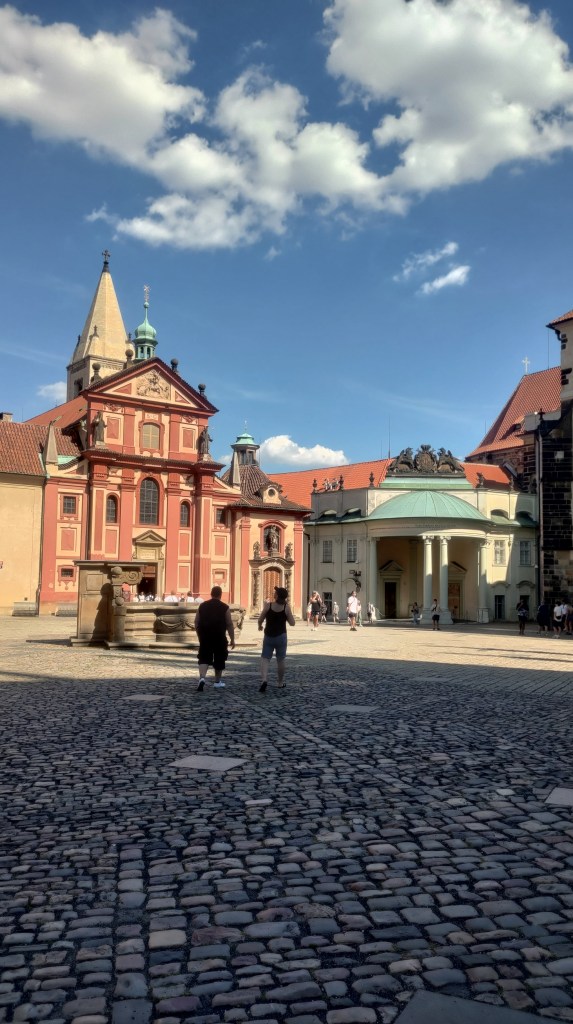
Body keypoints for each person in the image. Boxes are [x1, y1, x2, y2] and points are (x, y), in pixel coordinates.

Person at [195, 585, 235, 691]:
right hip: (219, 636)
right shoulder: (225, 607)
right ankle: (217, 682)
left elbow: (196, 622)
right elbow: (229, 624)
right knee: (220, 658)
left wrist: (199, 634)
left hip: (205, 636)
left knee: (203, 657)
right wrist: (232, 639)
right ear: (220, 595)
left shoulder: (202, 606)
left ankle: (202, 678)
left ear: (211, 594)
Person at [258, 586, 295, 691]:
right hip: (281, 636)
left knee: (265, 658)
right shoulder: (286, 607)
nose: (274, 593)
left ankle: (264, 679)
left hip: (269, 636)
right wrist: (287, 616)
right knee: (281, 660)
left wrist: (260, 626)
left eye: (275, 593)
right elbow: (292, 623)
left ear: (277, 595)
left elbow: (260, 619)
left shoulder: (268, 606)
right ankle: (280, 682)